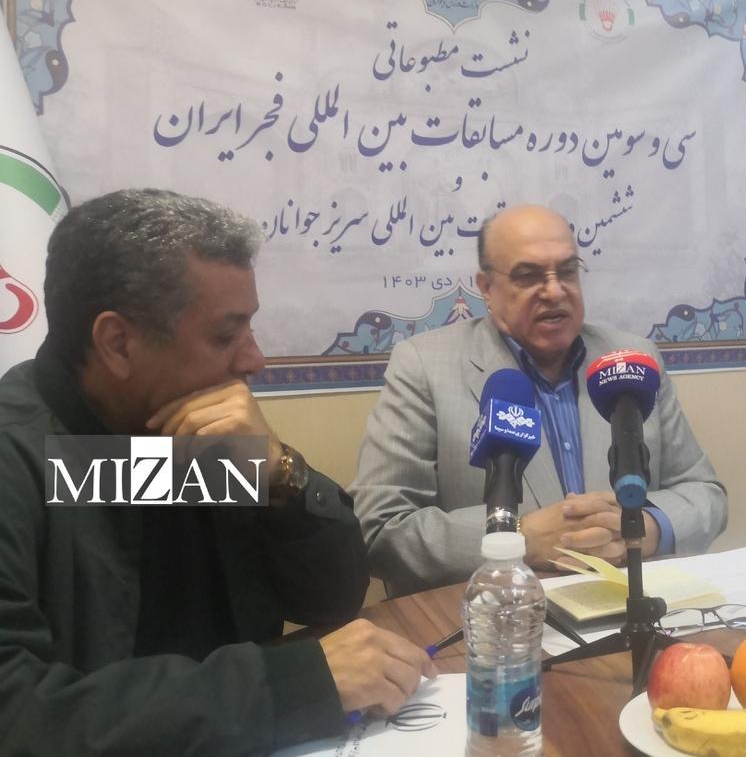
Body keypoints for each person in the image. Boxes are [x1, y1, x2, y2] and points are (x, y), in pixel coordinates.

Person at [0, 189, 435, 755]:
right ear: (118, 343)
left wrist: (282, 475)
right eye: (225, 336)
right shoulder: (20, 459)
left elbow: (330, 600)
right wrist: (290, 687)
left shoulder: (197, 438)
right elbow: (17, 712)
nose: (254, 360)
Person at [352, 204, 727, 594]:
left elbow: (705, 493)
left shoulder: (631, 360)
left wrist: (646, 528)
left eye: (567, 271)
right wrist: (519, 538)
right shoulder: (423, 366)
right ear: (486, 288)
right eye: (528, 276)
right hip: (501, 614)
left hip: (627, 600)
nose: (554, 291)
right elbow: (378, 529)